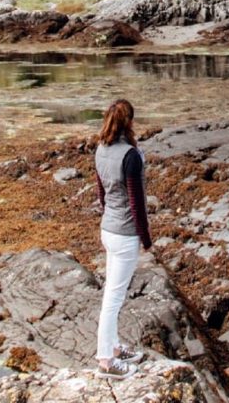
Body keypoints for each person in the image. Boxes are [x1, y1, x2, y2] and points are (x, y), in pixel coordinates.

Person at [95, 99, 151, 379]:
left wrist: (111, 221)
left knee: (112, 293)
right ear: (128, 122)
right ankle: (106, 359)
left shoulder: (100, 149)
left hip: (108, 229)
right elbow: (136, 201)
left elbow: (102, 195)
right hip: (125, 234)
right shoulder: (130, 155)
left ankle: (115, 347)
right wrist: (146, 238)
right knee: (113, 298)